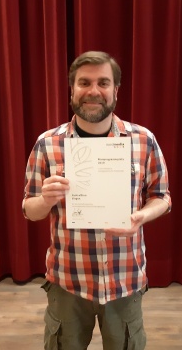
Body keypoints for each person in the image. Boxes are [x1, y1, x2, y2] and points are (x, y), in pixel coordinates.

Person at [22, 51, 171, 349]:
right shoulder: (47, 144)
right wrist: (46, 200)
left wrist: (140, 217)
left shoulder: (143, 140)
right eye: (84, 82)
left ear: (116, 90)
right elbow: (30, 209)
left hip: (124, 279)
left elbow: (162, 197)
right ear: (72, 89)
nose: (93, 91)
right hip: (68, 281)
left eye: (103, 82)